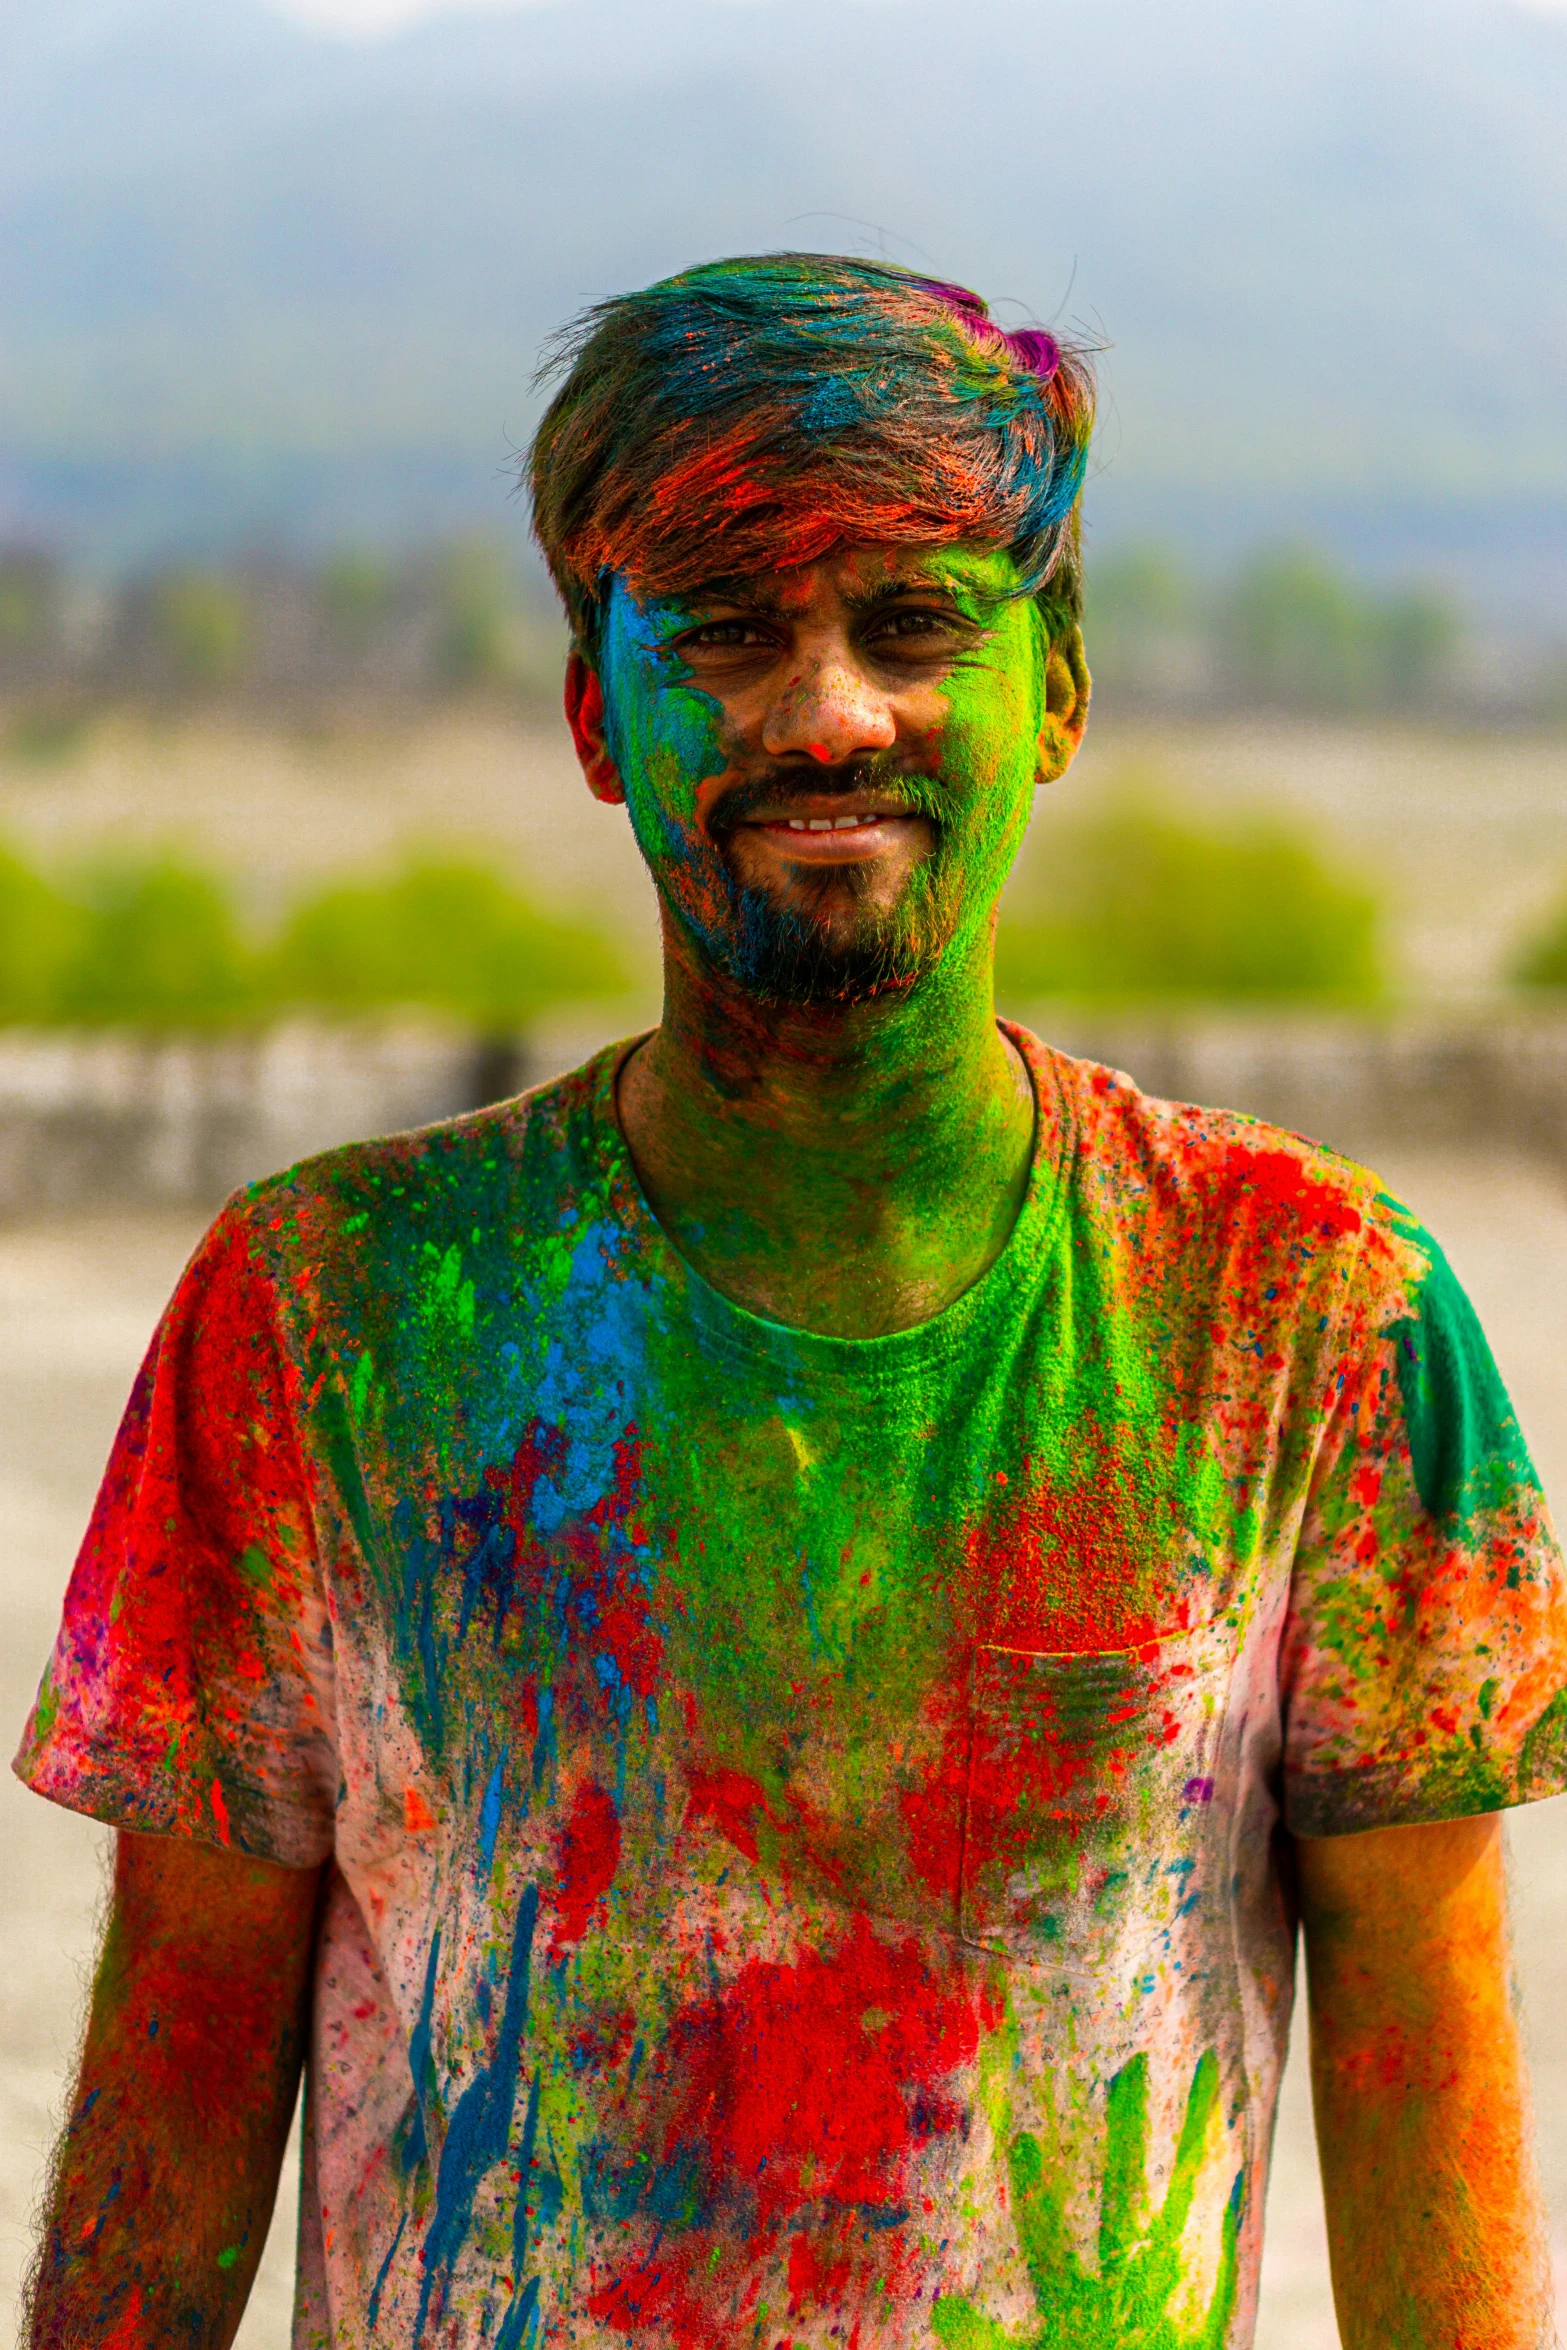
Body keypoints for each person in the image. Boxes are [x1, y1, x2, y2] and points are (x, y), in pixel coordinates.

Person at [14, 253, 1567, 2350]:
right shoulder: (321, 1323)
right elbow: (168, 2131)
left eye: (918, 620)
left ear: (1064, 688)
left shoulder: (1313, 1319)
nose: (828, 708)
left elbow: (1429, 2146)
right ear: (597, 710)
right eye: (729, 628)